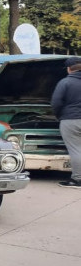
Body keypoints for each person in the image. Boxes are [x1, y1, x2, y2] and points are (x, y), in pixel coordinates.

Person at [52, 56, 81, 188]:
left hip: (71, 120)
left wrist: (59, 116)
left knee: (76, 150)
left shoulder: (65, 82)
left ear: (69, 69)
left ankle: (77, 180)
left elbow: (56, 102)